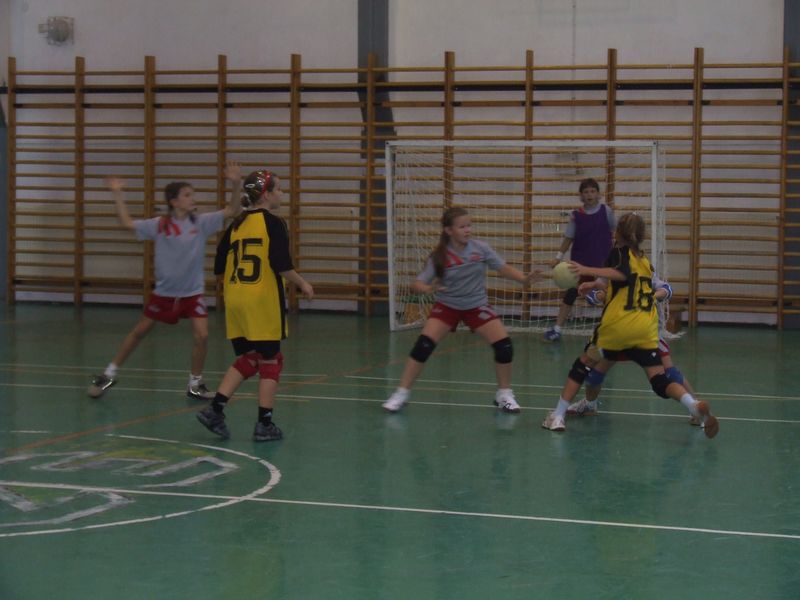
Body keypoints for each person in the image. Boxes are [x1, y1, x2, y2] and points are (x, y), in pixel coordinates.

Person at [541, 212, 719, 438]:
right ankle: (693, 406)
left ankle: (557, 415)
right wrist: (593, 287)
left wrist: (586, 270)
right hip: (643, 329)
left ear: (617, 233)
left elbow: (624, 275)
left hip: (619, 327)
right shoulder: (644, 262)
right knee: (657, 378)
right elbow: (617, 284)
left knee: (583, 365)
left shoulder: (618, 254)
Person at [87, 162, 243, 400]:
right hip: (164, 294)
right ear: (174, 201)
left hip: (192, 294)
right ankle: (108, 374)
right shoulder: (159, 225)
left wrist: (236, 184)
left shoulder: (201, 222)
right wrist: (117, 194)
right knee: (139, 332)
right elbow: (127, 223)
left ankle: (195, 383)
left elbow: (232, 210)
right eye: (187, 195)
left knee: (202, 335)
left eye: (192, 195)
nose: (192, 199)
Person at [382, 206, 542, 414]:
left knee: (504, 346)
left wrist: (524, 279)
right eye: (462, 227)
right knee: (423, 346)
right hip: (447, 306)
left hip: (476, 305)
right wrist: (428, 288)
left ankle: (504, 394)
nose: (468, 230)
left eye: (469, 226)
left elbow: (503, 268)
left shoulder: (480, 249)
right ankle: (402, 393)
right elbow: (417, 283)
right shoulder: (439, 256)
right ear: (449, 230)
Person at [196, 169, 314, 442]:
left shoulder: (236, 225)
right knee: (272, 360)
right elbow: (281, 264)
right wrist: (303, 283)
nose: (282, 193)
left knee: (251, 357)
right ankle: (264, 424)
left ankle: (215, 410)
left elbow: (219, 267)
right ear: (266, 195)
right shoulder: (273, 223)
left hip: (235, 298)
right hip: (261, 299)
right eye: (279, 189)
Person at [567, 275, 702, 425]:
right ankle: (590, 404)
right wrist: (602, 295)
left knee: (670, 374)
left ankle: (696, 407)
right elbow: (592, 297)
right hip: (617, 332)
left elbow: (667, 289)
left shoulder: (644, 272)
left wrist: (651, 296)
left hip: (645, 334)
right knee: (593, 374)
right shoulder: (611, 272)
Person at [544, 178, 615, 342]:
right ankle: (557, 329)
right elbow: (568, 238)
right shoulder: (576, 216)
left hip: (602, 264)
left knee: (607, 296)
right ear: (581, 195)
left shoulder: (606, 211)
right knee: (571, 294)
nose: (589, 195)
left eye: (593, 191)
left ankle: (610, 330)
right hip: (580, 263)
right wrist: (557, 258)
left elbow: (615, 232)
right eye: (586, 192)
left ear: (598, 194)